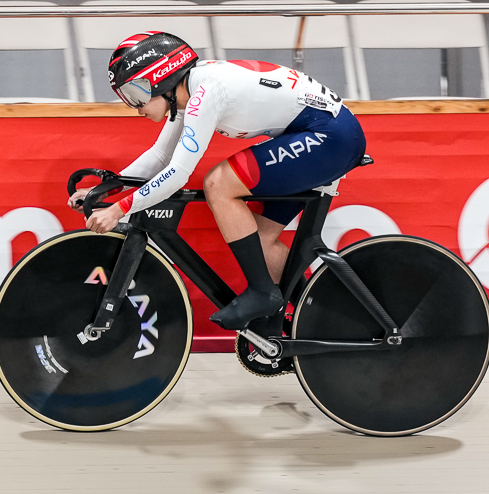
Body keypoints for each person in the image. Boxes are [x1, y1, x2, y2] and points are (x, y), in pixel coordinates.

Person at [75, 32, 368, 331]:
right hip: (322, 133)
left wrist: (119, 209)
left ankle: (263, 293)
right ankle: (321, 318)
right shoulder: (187, 91)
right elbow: (161, 155)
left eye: (135, 94)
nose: (135, 107)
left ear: (160, 80)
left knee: (219, 183)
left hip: (331, 136)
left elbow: (177, 172)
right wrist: (109, 187)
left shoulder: (204, 93)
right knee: (262, 240)